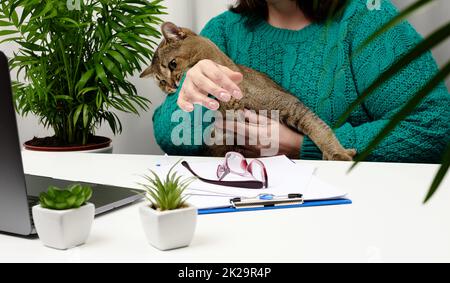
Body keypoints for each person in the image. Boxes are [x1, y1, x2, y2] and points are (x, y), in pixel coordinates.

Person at [152, 0, 450, 163]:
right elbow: (170, 135)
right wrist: (190, 95)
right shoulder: (222, 32)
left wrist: (301, 144)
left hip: (350, 218)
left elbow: (433, 127)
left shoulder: (368, 19)